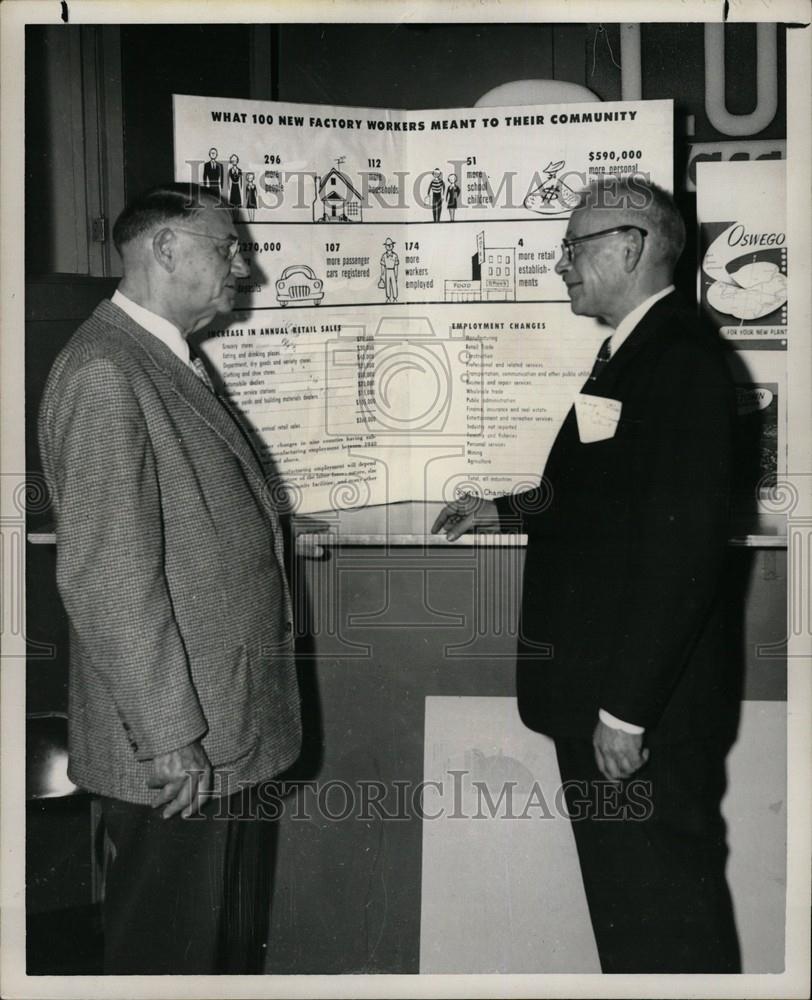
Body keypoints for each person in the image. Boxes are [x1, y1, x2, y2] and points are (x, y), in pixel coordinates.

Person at [433, 176, 741, 974]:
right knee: (631, 913)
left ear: (631, 246)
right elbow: (598, 493)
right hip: (612, 702)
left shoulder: (681, 361)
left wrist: (628, 713)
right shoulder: (637, 351)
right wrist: (499, 509)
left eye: (574, 247)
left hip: (638, 715)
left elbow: (684, 558)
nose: (560, 264)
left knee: (663, 921)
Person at [38, 183, 302, 974]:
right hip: (181, 744)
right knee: (168, 957)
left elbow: (171, 516)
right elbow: (105, 571)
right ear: (164, 249)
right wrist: (169, 737)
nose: (245, 268)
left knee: (208, 949)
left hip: (216, 726)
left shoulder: (156, 357)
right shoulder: (107, 371)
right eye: (228, 247)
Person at [380, 237, 399, 303]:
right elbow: (382, 266)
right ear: (385, 247)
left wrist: (396, 275)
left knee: (394, 283)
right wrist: (382, 275)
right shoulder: (384, 256)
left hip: (392, 270)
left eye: (390, 245)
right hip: (387, 270)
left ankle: (395, 297)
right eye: (387, 245)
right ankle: (388, 297)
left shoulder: (395, 255)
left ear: (392, 246)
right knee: (387, 284)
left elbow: (396, 266)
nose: (389, 246)